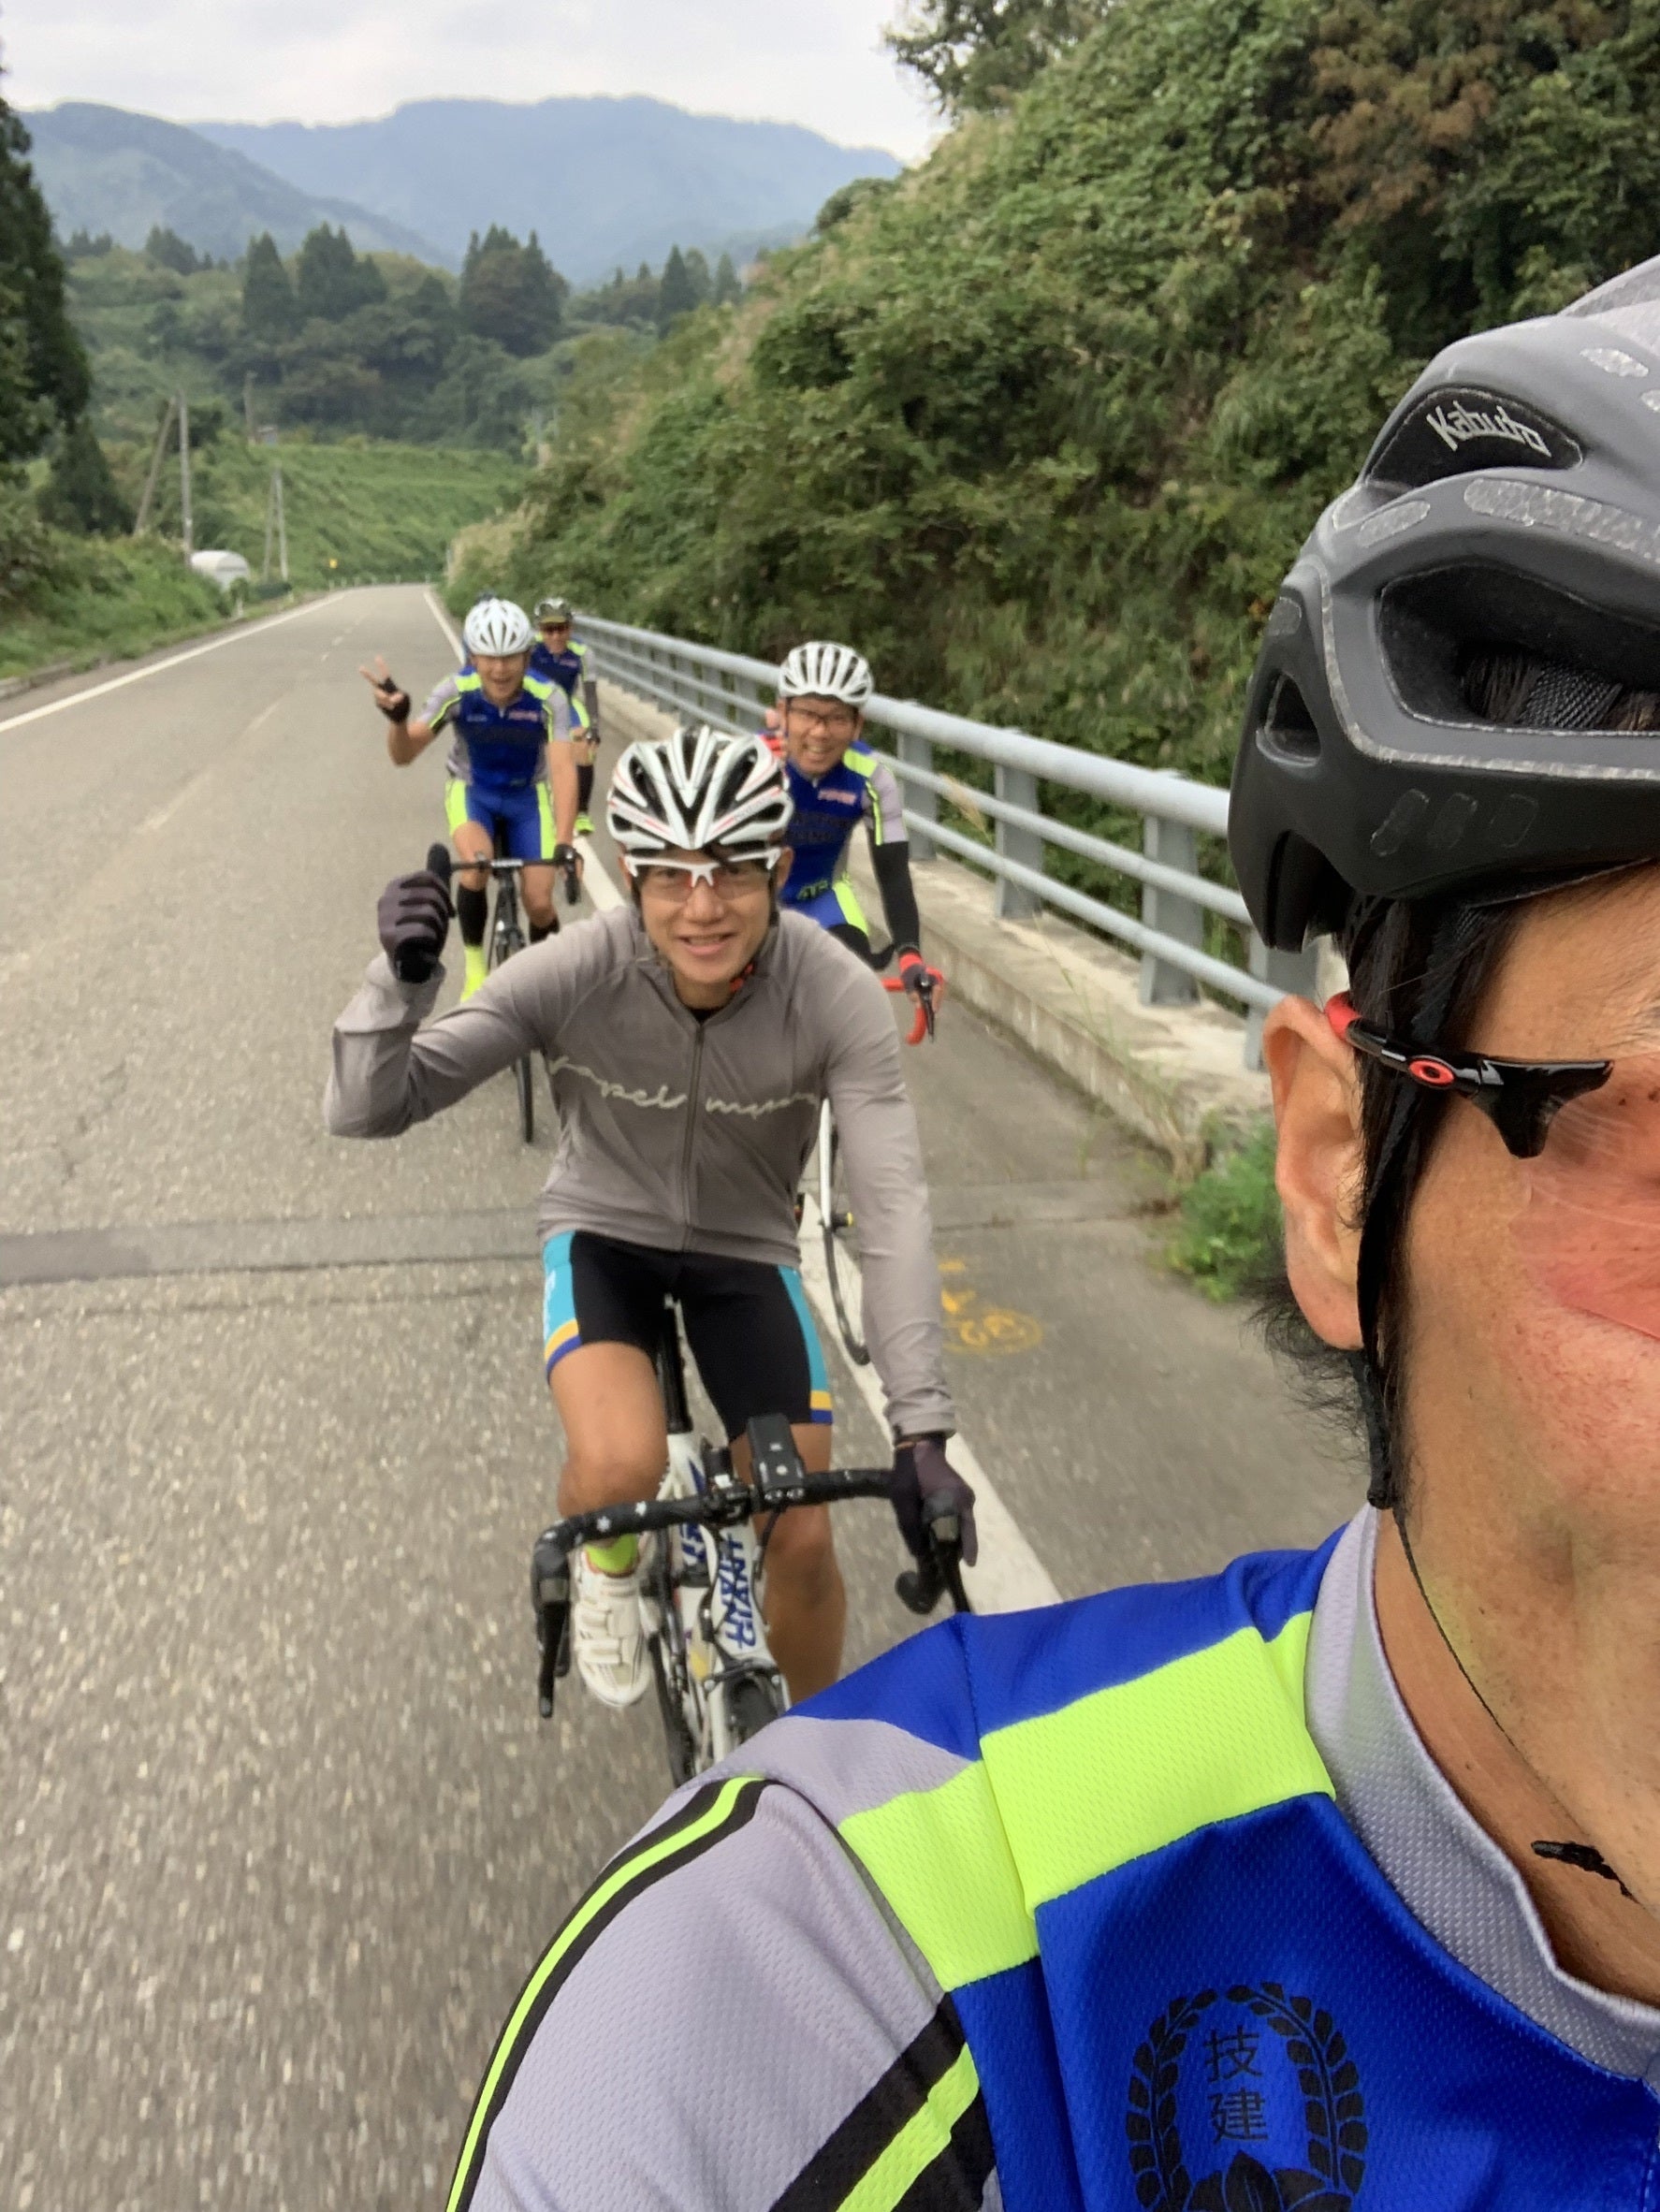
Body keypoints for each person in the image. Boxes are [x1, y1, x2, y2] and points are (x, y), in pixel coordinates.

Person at [440, 260, 1660, 2210]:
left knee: (796, 1497)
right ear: (1340, 1169)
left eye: (825, 720)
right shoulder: (813, 1989)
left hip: (771, 1133)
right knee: (611, 1451)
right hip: (625, 1185)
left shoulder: (835, 824)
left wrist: (915, 1395)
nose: (809, 740)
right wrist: (448, 938)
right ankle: (636, 1593)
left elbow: (885, 988)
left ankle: (776, 1680)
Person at [327, 722, 973, 1714]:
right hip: (605, 1236)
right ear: (628, 874)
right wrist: (399, 984)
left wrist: (921, 1427)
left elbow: (891, 1207)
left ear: (780, 868)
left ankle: (821, 1753)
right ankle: (611, 1566)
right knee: (619, 1465)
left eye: (732, 873)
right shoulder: (579, 968)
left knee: (801, 1532)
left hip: (745, 1249)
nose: (702, 908)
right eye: (670, 876)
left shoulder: (832, 991)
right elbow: (370, 1109)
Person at [361, 596, 579, 1000]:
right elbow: (404, 755)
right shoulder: (456, 691)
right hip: (473, 792)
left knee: (539, 903)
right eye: (488, 657)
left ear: (527, 656)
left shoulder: (549, 697)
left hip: (527, 798)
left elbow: (564, 770)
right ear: (472, 657)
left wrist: (566, 842)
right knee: (475, 868)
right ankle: (476, 969)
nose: (500, 669)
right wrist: (398, 721)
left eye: (510, 657)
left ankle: (545, 982)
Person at [772, 640, 942, 1006]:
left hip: (823, 898)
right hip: (755, 899)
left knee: (854, 992)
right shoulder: (751, 761)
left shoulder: (872, 777)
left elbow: (894, 875)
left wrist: (910, 955)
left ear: (857, 725)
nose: (820, 733)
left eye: (837, 718)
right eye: (807, 714)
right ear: (783, 713)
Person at [531, 596, 602, 836]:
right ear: (539, 629)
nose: (555, 636)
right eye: (548, 630)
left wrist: (594, 726)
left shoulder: (582, 652)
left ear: (571, 627)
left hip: (565, 704)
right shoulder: (528, 648)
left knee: (584, 745)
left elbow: (590, 693)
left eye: (561, 629)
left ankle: (581, 812)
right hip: (533, 704)